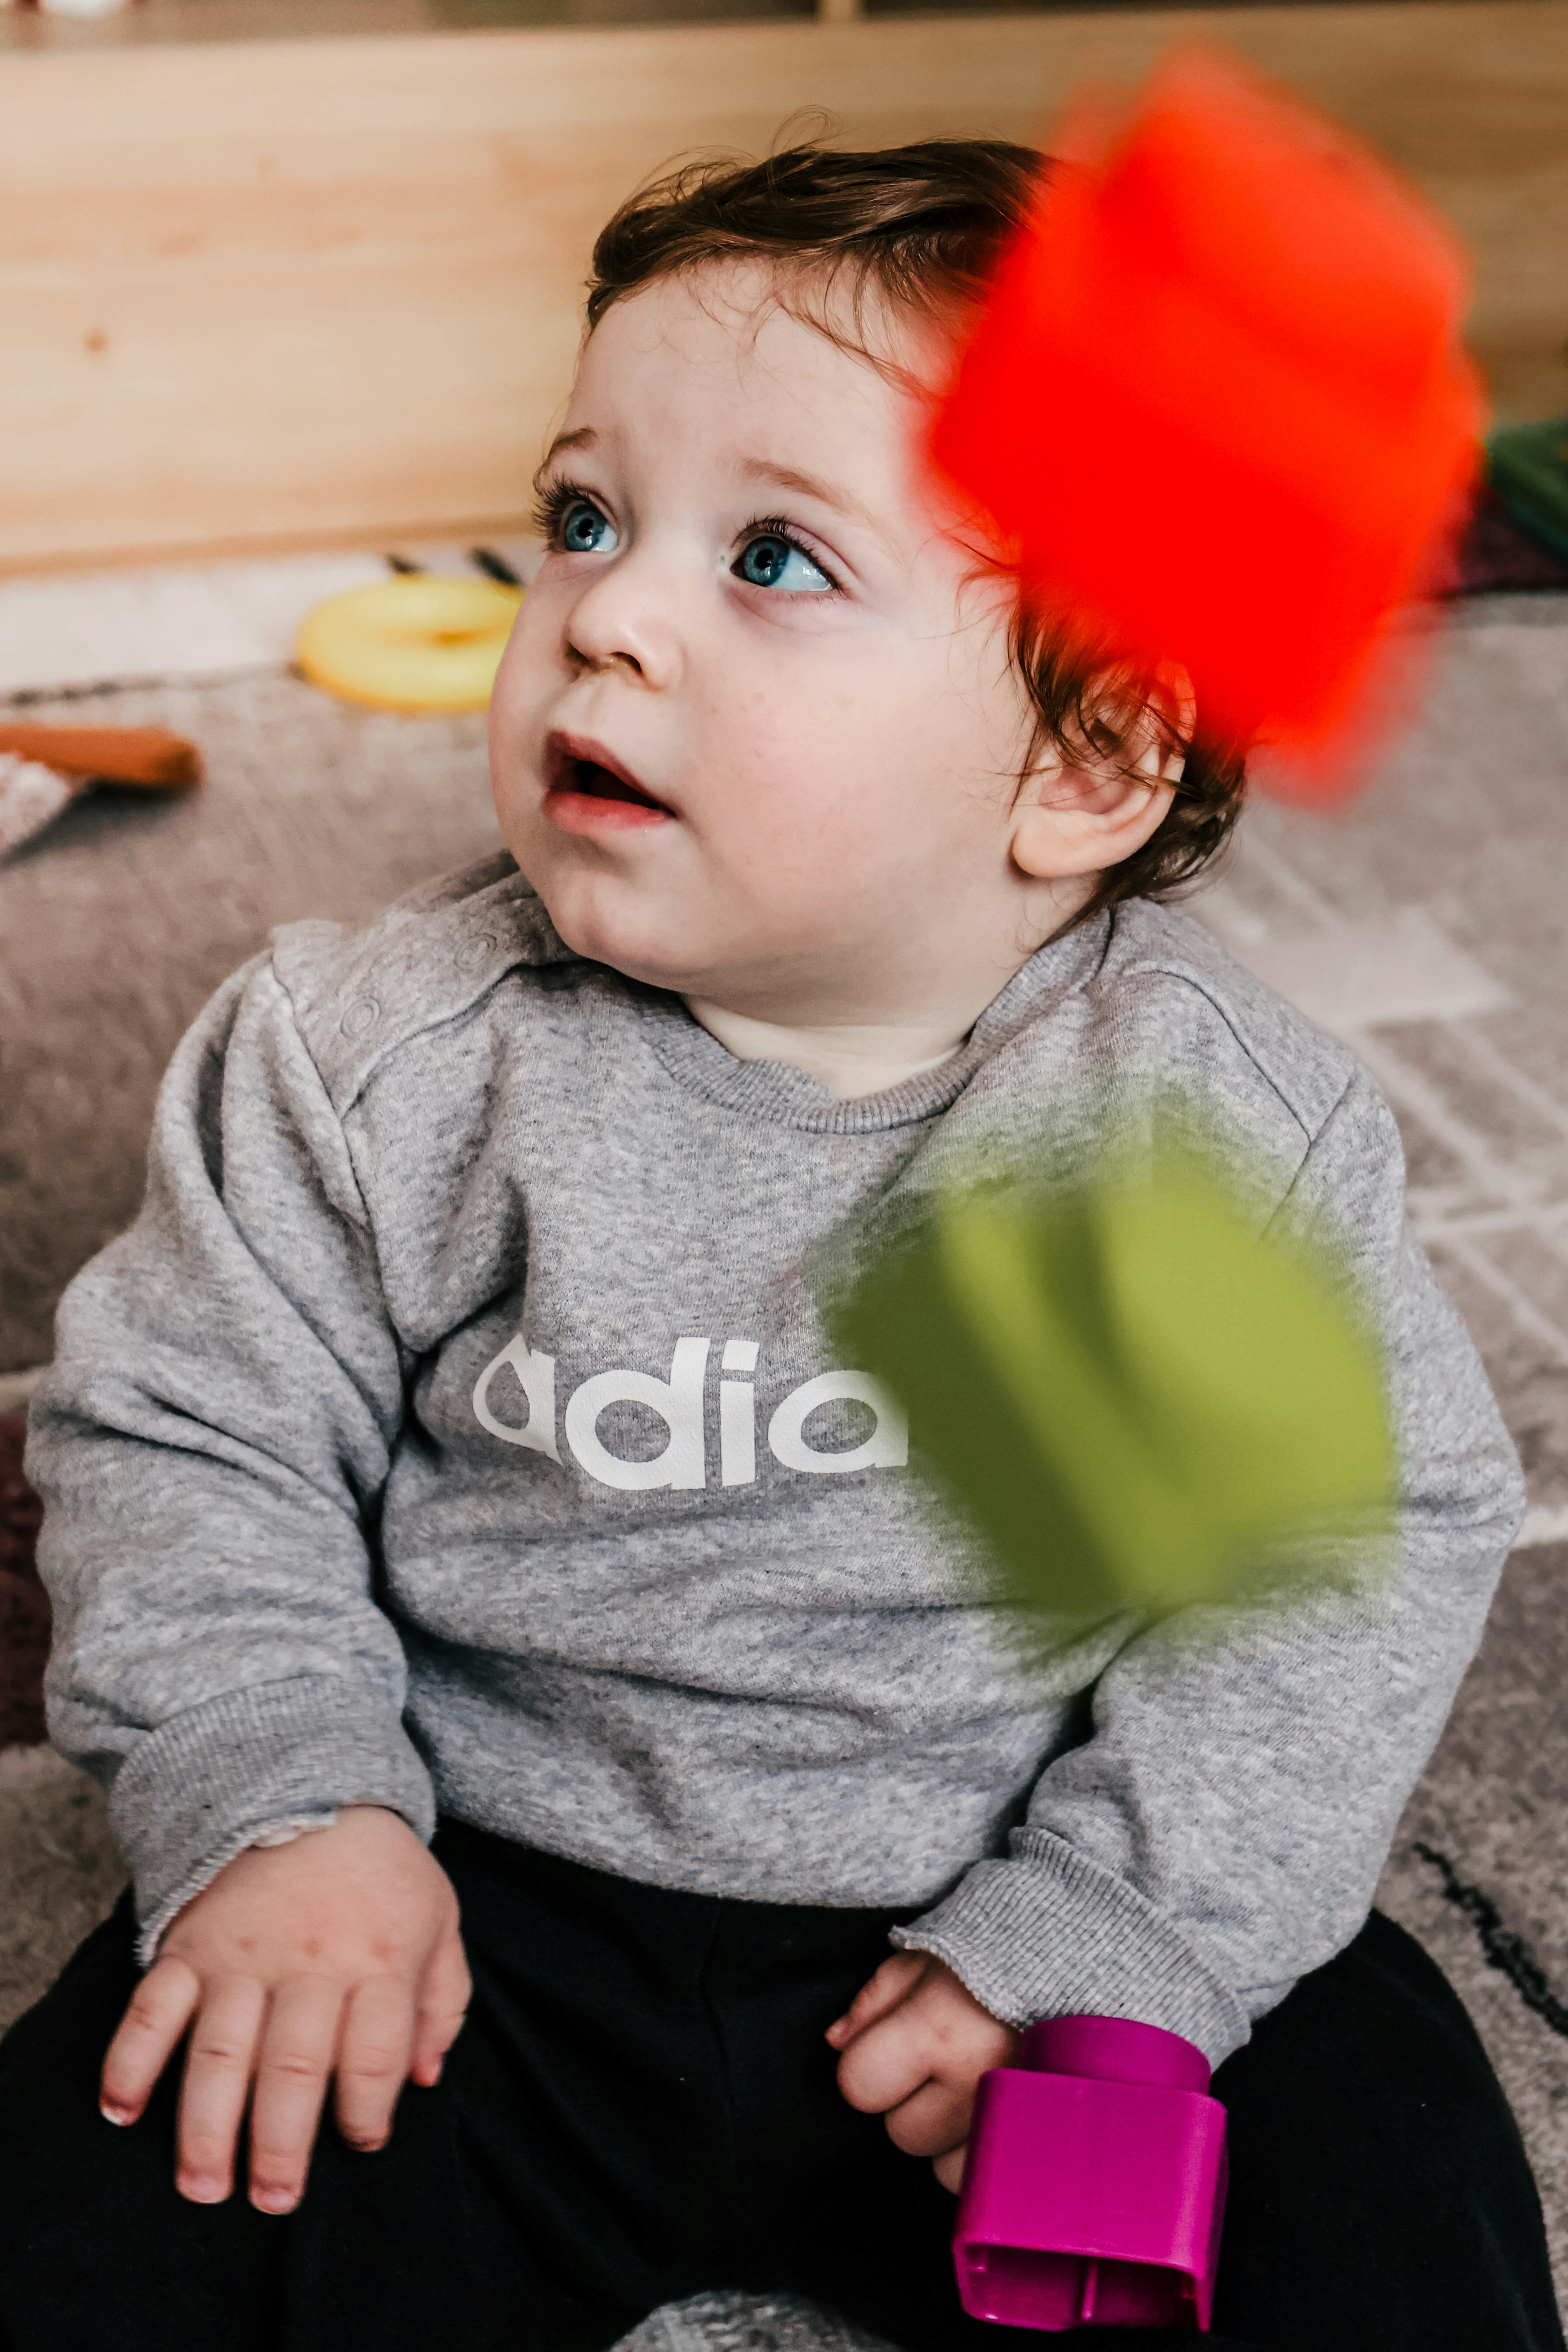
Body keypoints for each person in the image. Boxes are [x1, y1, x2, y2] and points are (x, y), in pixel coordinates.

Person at [0, 141, 1559, 2352]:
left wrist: (1127, 1929)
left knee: (1387, 2189)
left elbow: (1332, 1561)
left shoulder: (1176, 1133)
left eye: (772, 557)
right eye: (581, 518)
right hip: (465, 1903)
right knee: (115, 2188)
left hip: (1003, 1898)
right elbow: (181, 1439)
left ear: (1089, 759)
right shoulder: (372, 1063)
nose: (607, 615)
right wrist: (281, 1805)